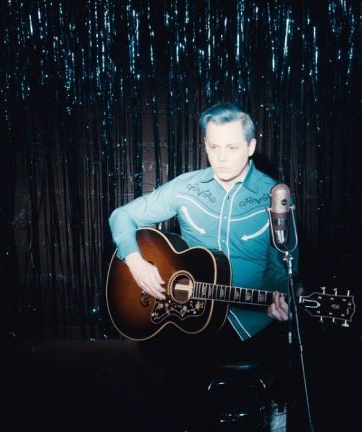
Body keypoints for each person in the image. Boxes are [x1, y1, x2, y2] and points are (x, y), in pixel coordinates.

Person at [108, 102, 300, 431]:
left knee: (282, 355)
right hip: (192, 314)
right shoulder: (187, 187)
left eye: (231, 147)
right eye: (213, 147)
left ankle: (277, 405)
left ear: (251, 146)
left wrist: (283, 301)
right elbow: (121, 216)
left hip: (252, 320)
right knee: (181, 377)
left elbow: (283, 269)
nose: (221, 157)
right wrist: (136, 261)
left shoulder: (274, 196)